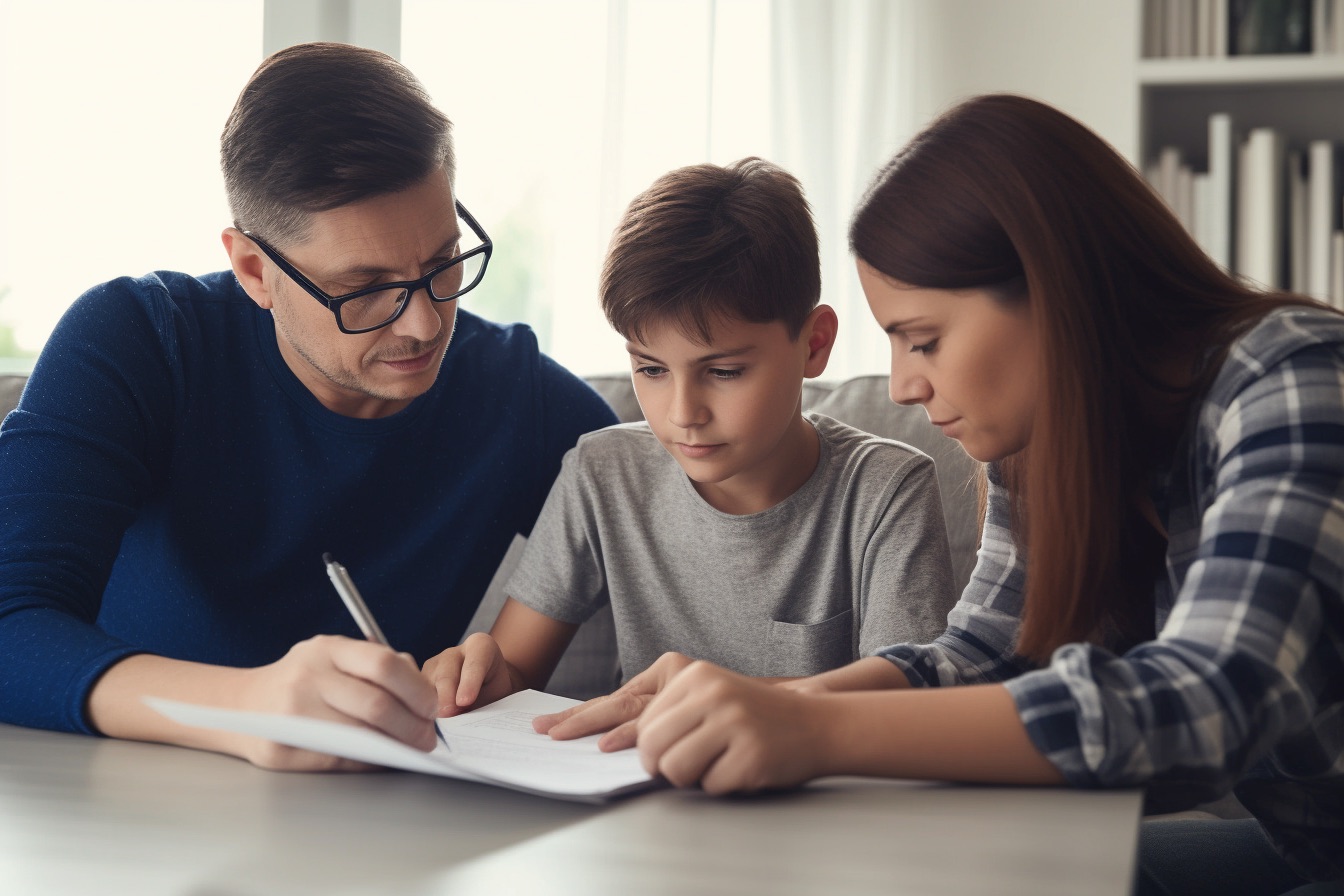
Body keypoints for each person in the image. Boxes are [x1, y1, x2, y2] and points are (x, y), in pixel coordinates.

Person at [556, 96, 1344, 891]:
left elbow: (1208, 701)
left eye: (923, 340)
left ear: (1053, 289)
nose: (903, 383)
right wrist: (759, 705)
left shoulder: (1294, 380)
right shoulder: (1047, 436)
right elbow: (980, 656)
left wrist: (814, 725)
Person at [0, 42, 616, 769]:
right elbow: (12, 620)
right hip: (117, 817)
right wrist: (241, 707)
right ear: (254, 270)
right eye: (365, 288)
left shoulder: (515, 395)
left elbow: (700, 524)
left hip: (385, 831)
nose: (423, 325)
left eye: (443, 264)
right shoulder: (141, 341)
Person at [422, 158, 957, 735]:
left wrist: (730, 699)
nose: (682, 415)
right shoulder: (603, 474)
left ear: (815, 343)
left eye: (724, 372)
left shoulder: (886, 491)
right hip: (641, 803)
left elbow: (912, 704)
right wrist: (479, 679)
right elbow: (517, 669)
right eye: (650, 369)